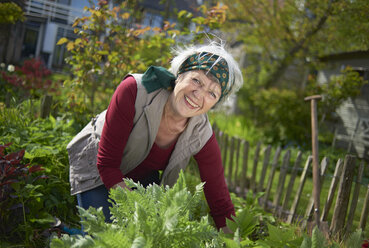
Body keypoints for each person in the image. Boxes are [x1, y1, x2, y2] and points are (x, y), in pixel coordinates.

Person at [66, 41, 243, 232]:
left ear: (214, 104)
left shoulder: (202, 134)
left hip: (139, 177)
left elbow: (220, 201)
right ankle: (58, 234)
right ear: (180, 75)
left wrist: (233, 242)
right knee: (105, 237)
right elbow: (107, 164)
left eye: (212, 93)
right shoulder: (135, 90)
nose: (199, 95)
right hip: (97, 166)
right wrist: (136, 214)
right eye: (196, 80)